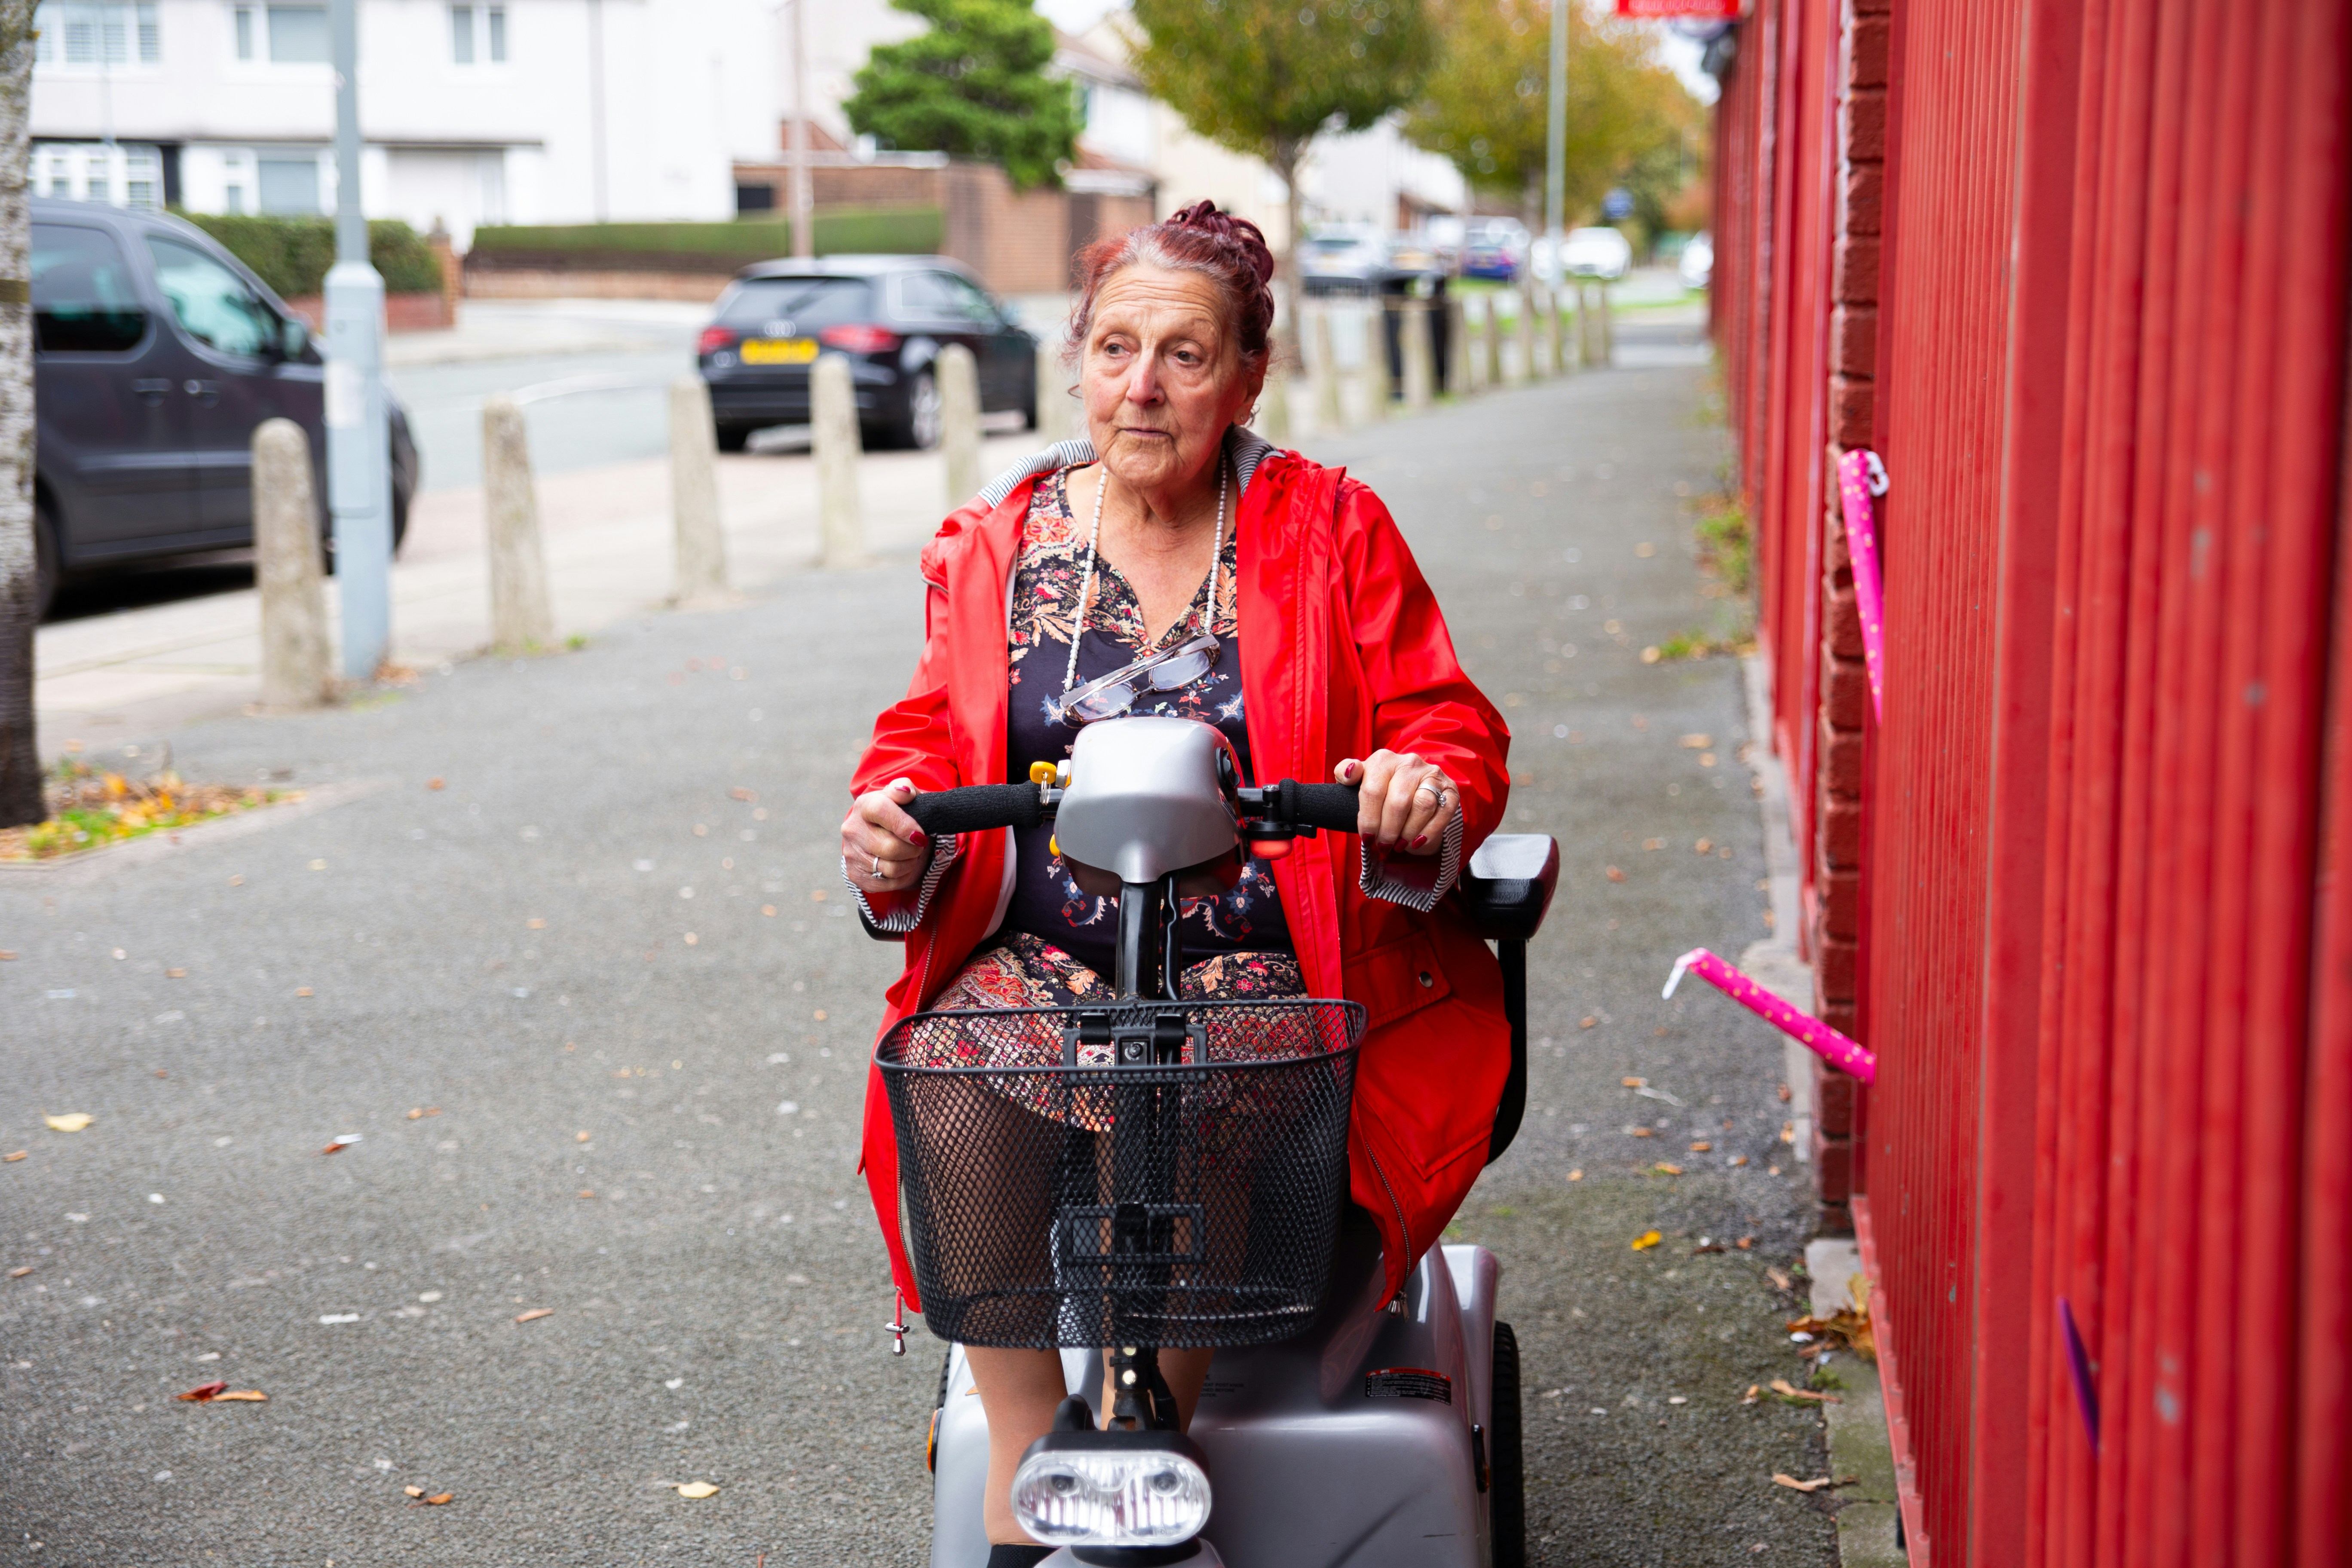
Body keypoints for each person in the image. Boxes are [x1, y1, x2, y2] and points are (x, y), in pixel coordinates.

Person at [842, 200, 1513, 1564]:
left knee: (1193, 1066)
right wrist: (892, 823)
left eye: (1185, 355)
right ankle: (1021, 1487)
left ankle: (1143, 1442)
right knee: (951, 1071)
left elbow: (1447, 724)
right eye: (1115, 349)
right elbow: (924, 740)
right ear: (1079, 363)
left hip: (1275, 955)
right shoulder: (997, 543)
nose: (1141, 385)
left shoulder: (1330, 528)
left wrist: (1419, 786)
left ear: (1247, 378)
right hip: (1043, 953)